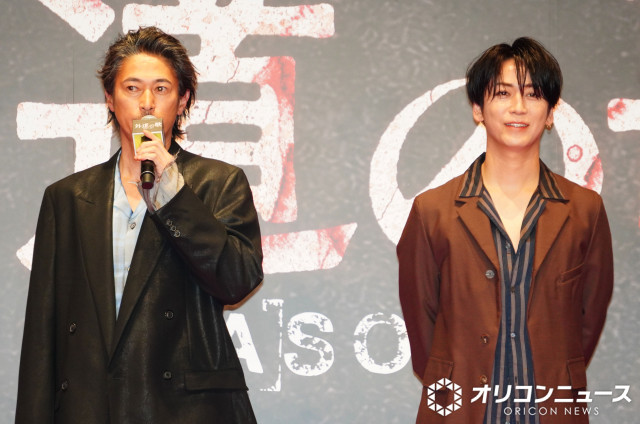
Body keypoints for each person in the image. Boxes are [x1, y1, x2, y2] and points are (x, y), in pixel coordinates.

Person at [16, 27, 263, 423]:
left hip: (185, 410)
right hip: (90, 407)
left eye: (161, 89)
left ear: (183, 101)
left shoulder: (218, 183)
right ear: (110, 99)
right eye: (132, 88)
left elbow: (237, 281)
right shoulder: (68, 197)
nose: (147, 103)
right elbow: (42, 336)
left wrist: (174, 196)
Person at [398, 37, 613, 423]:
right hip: (460, 410)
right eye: (503, 93)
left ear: (551, 112)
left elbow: (588, 319)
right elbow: (423, 327)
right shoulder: (433, 211)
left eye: (533, 94)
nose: (518, 107)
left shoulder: (585, 211)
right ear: (478, 109)